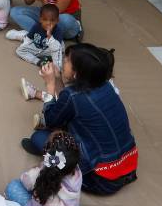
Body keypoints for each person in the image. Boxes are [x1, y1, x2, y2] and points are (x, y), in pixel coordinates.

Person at [20, 44, 138, 195]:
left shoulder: (73, 95)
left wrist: (50, 84)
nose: (64, 61)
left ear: (77, 73)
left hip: (101, 180)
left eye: (68, 60)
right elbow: (67, 102)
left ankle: (54, 163)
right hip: (128, 167)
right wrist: (57, 79)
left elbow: (50, 119)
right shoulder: (106, 86)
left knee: (39, 138)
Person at [5, 132, 81, 206]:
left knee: (13, 187)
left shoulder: (39, 173)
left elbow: (25, 180)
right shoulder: (77, 174)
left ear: (47, 155)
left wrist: (38, 168)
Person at [6, 3, 64, 70]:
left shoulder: (58, 31)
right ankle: (39, 61)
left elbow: (56, 49)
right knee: (20, 50)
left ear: (57, 21)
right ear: (40, 19)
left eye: (52, 20)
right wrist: (25, 44)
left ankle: (48, 59)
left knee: (60, 49)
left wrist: (49, 36)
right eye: (45, 20)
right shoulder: (37, 26)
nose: (48, 23)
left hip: (48, 50)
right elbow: (29, 37)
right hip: (36, 46)